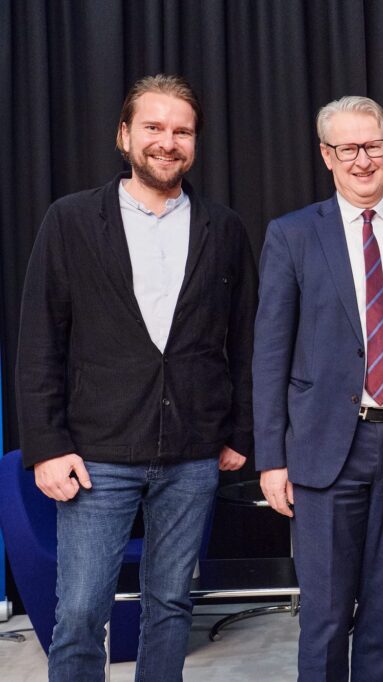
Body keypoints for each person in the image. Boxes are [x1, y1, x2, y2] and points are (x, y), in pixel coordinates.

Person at [16, 73, 256, 681]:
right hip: (95, 455)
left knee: (171, 605)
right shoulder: (70, 220)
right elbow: (40, 341)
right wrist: (47, 447)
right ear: (124, 135)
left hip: (193, 454)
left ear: (195, 142)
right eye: (153, 127)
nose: (167, 142)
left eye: (182, 131)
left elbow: (246, 339)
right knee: (80, 614)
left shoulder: (224, 227)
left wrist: (241, 431)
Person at [253, 95, 383, 681]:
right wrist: (271, 459)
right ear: (327, 155)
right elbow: (270, 353)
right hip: (324, 447)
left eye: (372, 146)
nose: (362, 160)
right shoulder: (292, 234)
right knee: (325, 613)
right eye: (348, 149)